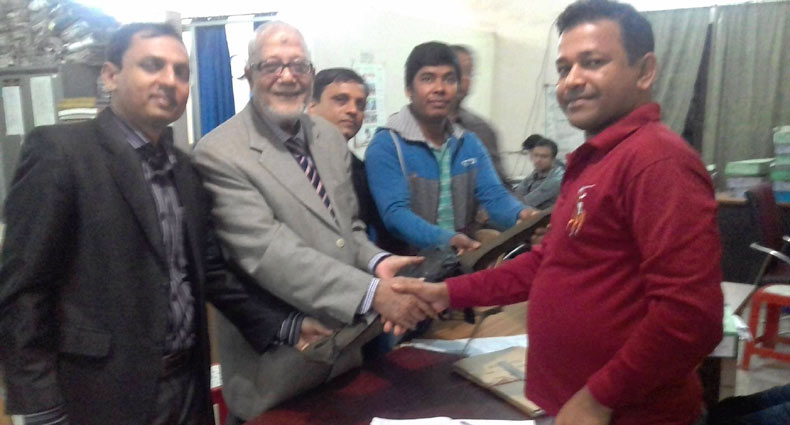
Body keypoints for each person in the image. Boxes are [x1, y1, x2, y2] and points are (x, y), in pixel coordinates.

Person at [392, 1, 724, 424]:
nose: (572, 81)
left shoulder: (657, 161)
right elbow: (548, 264)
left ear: (644, 71)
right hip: (571, 406)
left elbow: (691, 316)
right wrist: (448, 293)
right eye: (564, 68)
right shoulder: (596, 160)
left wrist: (599, 397)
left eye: (593, 62)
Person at [0, 23, 301, 425]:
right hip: (101, 392)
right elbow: (23, 289)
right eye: (152, 65)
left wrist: (286, 326)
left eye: (182, 72)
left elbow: (210, 272)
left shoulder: (185, 167)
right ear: (111, 75)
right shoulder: (62, 153)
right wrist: (40, 406)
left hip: (187, 386)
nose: (170, 80)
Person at [192, 21, 433, 421]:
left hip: (345, 353)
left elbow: (347, 228)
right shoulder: (219, 153)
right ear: (248, 73)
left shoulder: (328, 137)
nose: (286, 76)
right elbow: (269, 253)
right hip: (279, 370)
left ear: (310, 75)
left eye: (298, 66)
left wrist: (376, 261)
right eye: (271, 65)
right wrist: (372, 293)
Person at [365, 41, 529, 254]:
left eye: (449, 79)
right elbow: (396, 215)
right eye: (428, 78)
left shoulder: (468, 143)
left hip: (459, 262)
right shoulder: (387, 145)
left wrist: (522, 214)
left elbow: (494, 196)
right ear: (409, 89)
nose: (439, 89)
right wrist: (448, 239)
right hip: (407, 267)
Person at [308, 68, 401, 252]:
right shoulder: (291, 162)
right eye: (341, 100)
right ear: (311, 107)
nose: (353, 110)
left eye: (360, 104)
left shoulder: (360, 171)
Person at [449, 44, 507, 182]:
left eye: (469, 73)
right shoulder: (407, 130)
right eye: (457, 71)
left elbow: (498, 185)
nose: (464, 79)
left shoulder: (482, 130)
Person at [514, 135, 565, 211]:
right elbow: (519, 191)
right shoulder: (537, 172)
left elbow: (529, 201)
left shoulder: (557, 178)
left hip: (545, 217)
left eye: (544, 156)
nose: (538, 160)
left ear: (553, 158)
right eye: (536, 155)